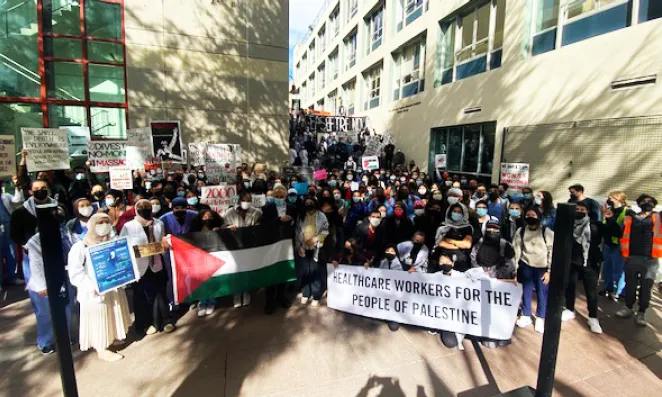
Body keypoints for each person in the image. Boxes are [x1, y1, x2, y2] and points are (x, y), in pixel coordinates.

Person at [67, 214, 131, 361]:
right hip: (95, 292)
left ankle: (112, 338)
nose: (104, 225)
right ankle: (102, 348)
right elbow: (75, 274)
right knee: (99, 318)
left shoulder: (113, 243)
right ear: (91, 225)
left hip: (113, 287)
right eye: (99, 222)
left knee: (113, 313)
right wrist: (91, 286)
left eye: (106, 222)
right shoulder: (80, 246)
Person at [24, 205, 76, 355]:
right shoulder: (35, 240)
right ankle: (46, 342)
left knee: (67, 308)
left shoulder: (65, 234)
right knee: (45, 313)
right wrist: (41, 286)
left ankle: (63, 337)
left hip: (64, 277)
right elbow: (36, 264)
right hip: (45, 282)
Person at [120, 199, 175, 336]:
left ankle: (164, 320)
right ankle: (145, 324)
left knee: (159, 293)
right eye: (141, 207)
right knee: (141, 297)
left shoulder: (158, 223)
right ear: (136, 209)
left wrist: (164, 244)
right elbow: (123, 246)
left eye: (147, 206)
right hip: (140, 266)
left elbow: (162, 241)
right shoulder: (129, 226)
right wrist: (143, 250)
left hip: (156, 263)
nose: (145, 209)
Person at [616, 194, 661, 326]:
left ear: (654, 203)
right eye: (644, 201)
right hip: (632, 257)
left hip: (650, 259)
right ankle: (628, 307)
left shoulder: (659, 217)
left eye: (650, 201)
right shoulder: (631, 217)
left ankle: (642, 312)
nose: (647, 203)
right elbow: (622, 234)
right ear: (639, 203)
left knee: (646, 287)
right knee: (630, 284)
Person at [561, 203, 603, 334]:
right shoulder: (568, 225)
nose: (579, 211)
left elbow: (613, 232)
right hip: (572, 262)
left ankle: (593, 317)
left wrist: (610, 218)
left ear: (588, 211)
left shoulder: (595, 226)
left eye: (582, 209)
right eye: (577, 209)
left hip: (589, 264)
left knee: (591, 292)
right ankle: (569, 309)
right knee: (570, 286)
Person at [514, 207, 554, 333]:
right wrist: (515, 268)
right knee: (526, 291)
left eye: (533, 215)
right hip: (526, 266)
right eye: (528, 215)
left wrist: (549, 270)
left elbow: (552, 251)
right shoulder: (521, 231)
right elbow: (516, 250)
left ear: (539, 217)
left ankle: (540, 318)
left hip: (542, 268)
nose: (530, 217)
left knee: (542, 293)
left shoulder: (546, 232)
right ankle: (526, 315)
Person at [259, 185, 296, 315]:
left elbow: (296, 224)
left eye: (282, 197)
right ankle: (270, 301)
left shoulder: (292, 208)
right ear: (273, 197)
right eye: (277, 197)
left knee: (283, 271)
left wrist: (291, 222)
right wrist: (279, 220)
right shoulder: (267, 208)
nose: (279, 199)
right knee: (271, 273)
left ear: (285, 197)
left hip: (286, 245)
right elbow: (263, 225)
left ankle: (281, 297)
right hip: (272, 244)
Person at [223, 191, 262, 307]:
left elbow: (262, 227)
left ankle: (246, 292)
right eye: (244, 200)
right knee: (235, 271)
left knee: (247, 270)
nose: (246, 203)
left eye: (249, 200)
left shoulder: (257, 212)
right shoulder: (230, 212)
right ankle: (236, 295)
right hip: (235, 247)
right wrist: (228, 227)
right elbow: (222, 226)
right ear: (239, 201)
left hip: (250, 247)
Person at [295, 196, 329, 306]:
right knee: (305, 272)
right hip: (303, 248)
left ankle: (316, 295)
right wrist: (298, 245)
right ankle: (305, 293)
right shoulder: (301, 216)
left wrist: (316, 239)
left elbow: (325, 230)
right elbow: (297, 231)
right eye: (307, 202)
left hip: (316, 248)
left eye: (311, 202)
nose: (309, 204)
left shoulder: (321, 216)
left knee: (315, 272)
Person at [190, 209, 224, 316]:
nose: (207, 219)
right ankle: (203, 302)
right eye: (204, 217)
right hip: (199, 259)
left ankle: (212, 302)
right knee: (201, 280)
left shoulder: (219, 229)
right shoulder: (195, 230)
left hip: (214, 257)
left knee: (213, 280)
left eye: (210, 217)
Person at [600, 191, 628, 301]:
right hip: (607, 243)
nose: (609, 200)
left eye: (610, 198)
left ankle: (621, 292)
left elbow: (621, 231)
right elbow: (604, 225)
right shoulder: (610, 210)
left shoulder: (626, 212)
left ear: (618, 199)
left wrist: (610, 218)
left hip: (619, 245)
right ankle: (608, 288)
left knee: (619, 270)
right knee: (607, 268)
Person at [435, 203, 473, 272]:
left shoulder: (467, 227)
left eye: (459, 212)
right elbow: (439, 242)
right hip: (443, 260)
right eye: (454, 211)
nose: (456, 213)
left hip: (460, 262)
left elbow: (467, 245)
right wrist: (456, 246)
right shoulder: (443, 226)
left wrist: (449, 241)